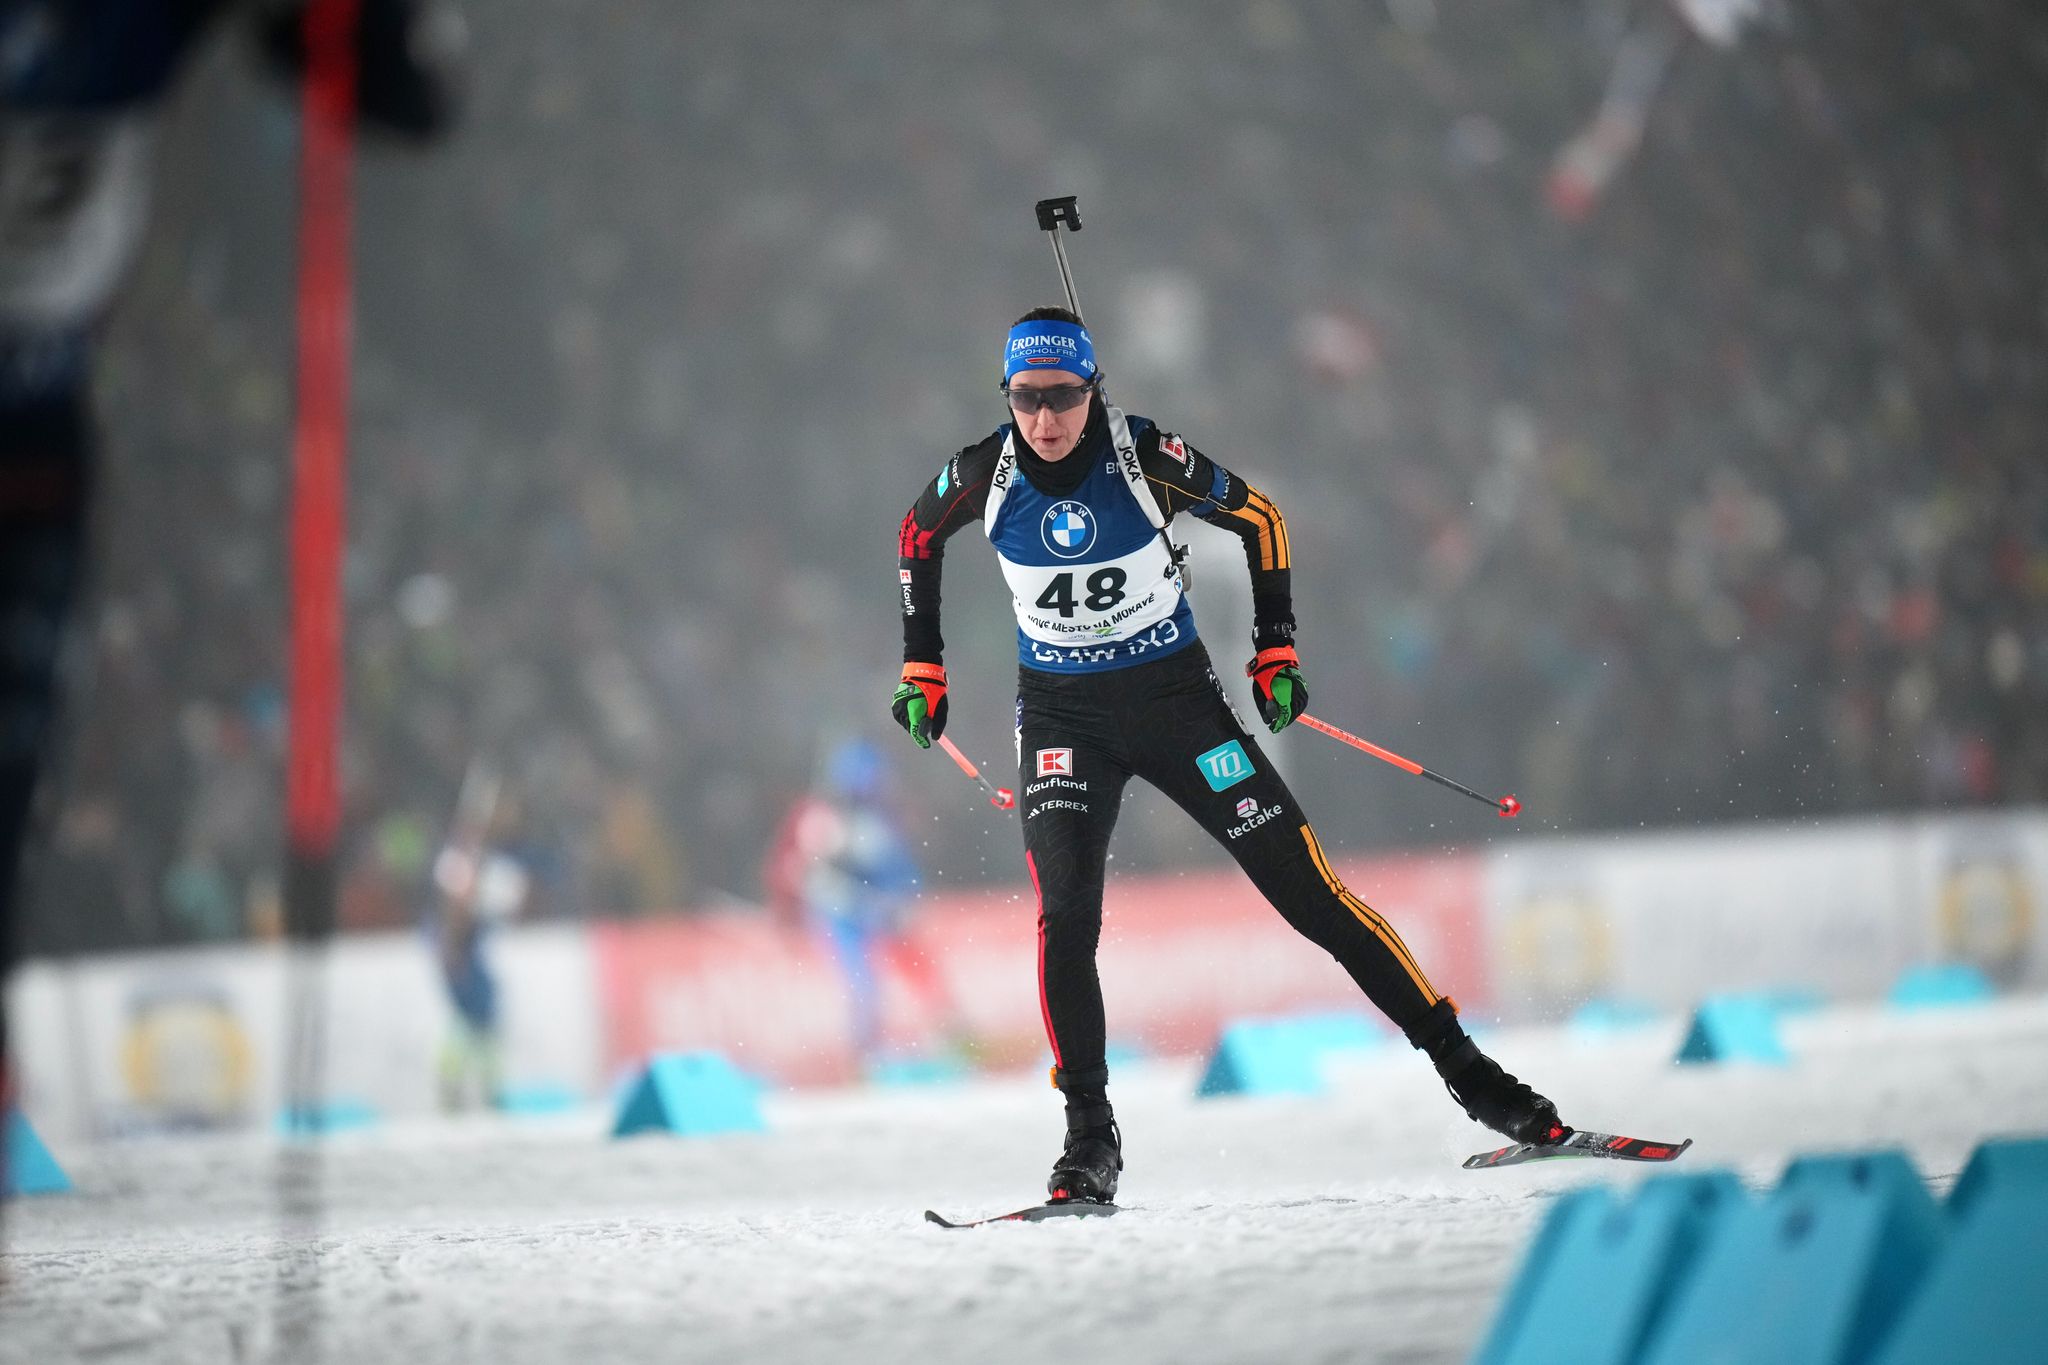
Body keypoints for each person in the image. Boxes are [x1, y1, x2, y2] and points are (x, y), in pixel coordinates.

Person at [890, 307, 1566, 1204]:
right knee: (1066, 919)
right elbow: (916, 536)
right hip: (1063, 722)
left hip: (1177, 707)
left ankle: (1477, 1080)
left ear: (1093, 390)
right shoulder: (987, 472)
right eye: (1026, 398)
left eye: (1063, 397)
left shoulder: (1143, 456)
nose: (1045, 418)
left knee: (1311, 895)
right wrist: (923, 664)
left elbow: (1260, 518)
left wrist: (1274, 646)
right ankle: (1089, 1139)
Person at [761, 738, 959, 1072]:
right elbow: (789, 870)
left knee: (918, 970)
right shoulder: (818, 816)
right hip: (841, 915)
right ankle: (866, 1054)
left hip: (880, 910)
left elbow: (898, 867)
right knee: (863, 982)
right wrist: (797, 893)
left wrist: (904, 898)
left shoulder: (883, 817)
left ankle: (949, 1035)